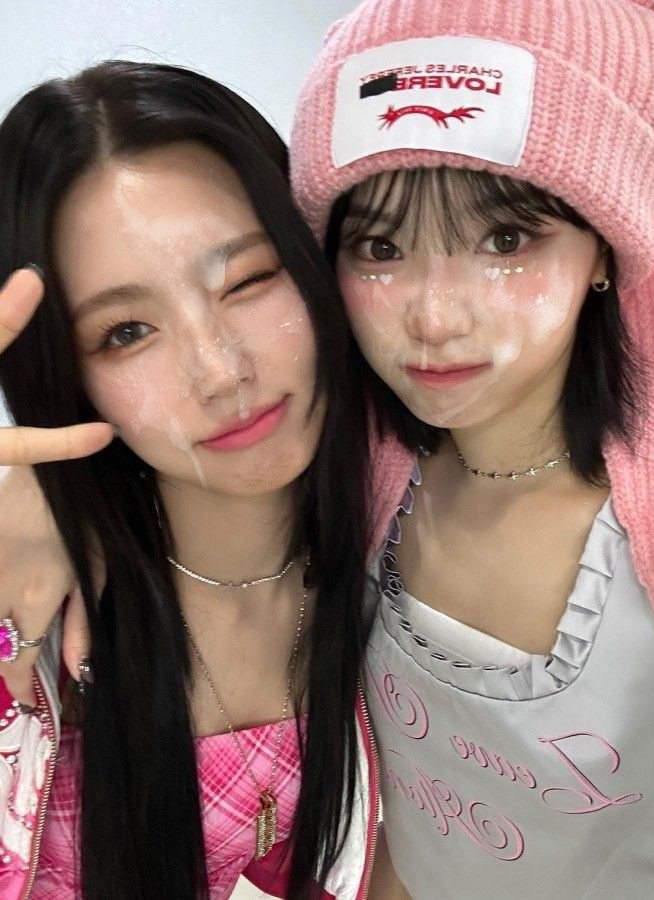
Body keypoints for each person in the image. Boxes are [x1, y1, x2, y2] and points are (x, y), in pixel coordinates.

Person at [289, 0, 654, 896]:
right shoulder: (365, 474)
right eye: (380, 247)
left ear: (606, 249)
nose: (435, 316)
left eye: (506, 238)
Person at [0, 61, 381, 900]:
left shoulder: (400, 548)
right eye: (126, 331)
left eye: (248, 280)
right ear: (65, 376)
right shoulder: (24, 616)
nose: (220, 372)